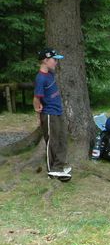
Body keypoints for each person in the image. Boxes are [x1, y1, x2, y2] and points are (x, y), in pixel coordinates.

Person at [33, 48, 72, 180]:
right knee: (52, 141)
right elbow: (37, 98)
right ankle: (52, 170)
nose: (56, 62)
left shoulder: (50, 74)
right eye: (54, 60)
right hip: (49, 114)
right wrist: (37, 110)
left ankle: (59, 166)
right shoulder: (40, 78)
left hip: (58, 111)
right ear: (45, 60)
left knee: (62, 139)